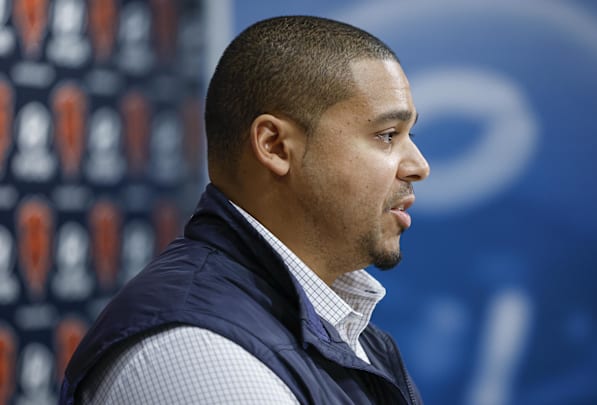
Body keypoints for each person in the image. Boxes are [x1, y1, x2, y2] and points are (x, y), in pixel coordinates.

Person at [60, 15, 430, 405]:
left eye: (410, 135)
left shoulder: (345, 328)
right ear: (275, 146)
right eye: (387, 135)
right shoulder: (197, 353)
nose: (419, 166)